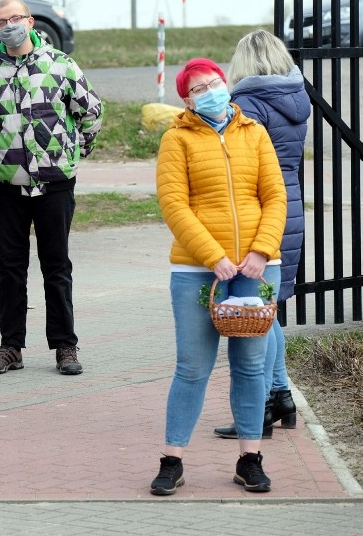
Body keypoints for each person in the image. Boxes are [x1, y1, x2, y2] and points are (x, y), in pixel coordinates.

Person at [150, 57, 287, 496]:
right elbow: (175, 205)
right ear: (186, 100)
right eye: (198, 88)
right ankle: (172, 461)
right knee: (192, 367)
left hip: (257, 268)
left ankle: (250, 460)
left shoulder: (255, 132)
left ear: (226, 84)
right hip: (196, 271)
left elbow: (275, 196)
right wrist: (213, 258)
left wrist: (261, 251)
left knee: (250, 367)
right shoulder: (176, 139)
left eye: (215, 82)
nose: (210, 91)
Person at [0, 0, 102, 376]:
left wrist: (73, 154)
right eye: (1, 20)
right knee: (11, 267)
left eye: (15, 18)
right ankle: (11, 347)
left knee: (57, 266)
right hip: (5, 187)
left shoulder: (61, 65)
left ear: (31, 21)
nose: (9, 25)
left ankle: (65, 347)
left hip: (54, 182)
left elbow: (90, 112)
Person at [213, 29, 311, 440]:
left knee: (255, 313)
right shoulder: (297, 98)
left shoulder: (247, 104)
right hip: (289, 205)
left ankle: (267, 404)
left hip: (258, 211)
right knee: (267, 313)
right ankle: (282, 396)